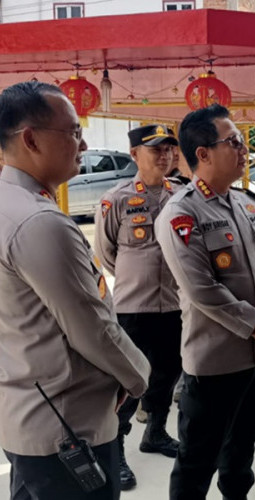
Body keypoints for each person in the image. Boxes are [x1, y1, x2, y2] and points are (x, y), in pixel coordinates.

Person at [0, 81, 150, 499]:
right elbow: (92, 327)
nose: (83, 144)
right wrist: (139, 376)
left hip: (29, 413)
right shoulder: (38, 222)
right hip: (67, 428)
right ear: (30, 138)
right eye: (72, 132)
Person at [155, 104, 255, 500]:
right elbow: (201, 289)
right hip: (213, 363)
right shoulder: (181, 214)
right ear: (203, 154)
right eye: (233, 142)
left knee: (242, 451)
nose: (244, 149)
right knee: (197, 463)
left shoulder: (248, 203)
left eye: (243, 141)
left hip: (253, 361)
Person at [94, 124, 183, 491]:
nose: (164, 156)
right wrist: (140, 277)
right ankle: (118, 452)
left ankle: (157, 434)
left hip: (176, 305)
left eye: (168, 150)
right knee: (129, 383)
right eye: (155, 150)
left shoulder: (181, 195)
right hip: (134, 308)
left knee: (168, 373)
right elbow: (106, 252)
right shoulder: (115, 199)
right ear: (134, 155)